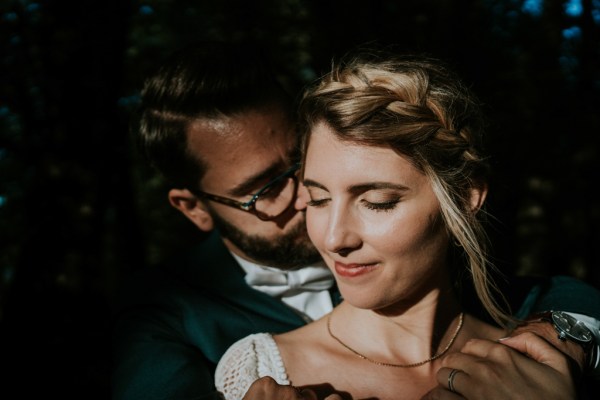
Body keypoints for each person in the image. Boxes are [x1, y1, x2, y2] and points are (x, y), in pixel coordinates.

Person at [112, 41, 600, 400]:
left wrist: (562, 346)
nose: (314, 217)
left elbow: (565, 295)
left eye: (301, 174)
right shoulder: (162, 318)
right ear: (194, 207)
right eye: (263, 190)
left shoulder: (502, 327)